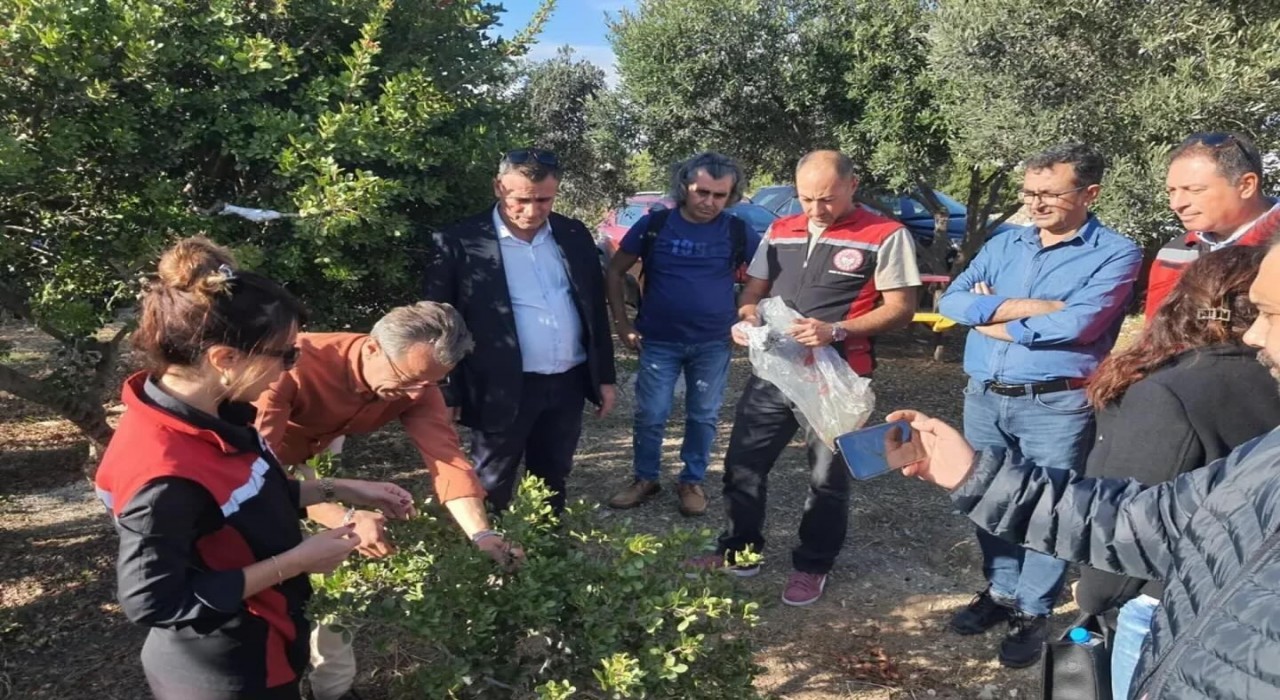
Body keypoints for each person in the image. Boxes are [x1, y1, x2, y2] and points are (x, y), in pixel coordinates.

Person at [887, 233, 1280, 699]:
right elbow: (1154, 522)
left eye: (1273, 315)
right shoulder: (1269, 456)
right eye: (1255, 313)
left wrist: (1096, 598)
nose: (1253, 336)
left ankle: (1030, 608)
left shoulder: (1165, 383)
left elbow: (1075, 322)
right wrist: (975, 476)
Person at [94, 237, 416, 700]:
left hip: (268, 643)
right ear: (224, 359)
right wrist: (297, 562)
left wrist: (340, 488)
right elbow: (154, 600)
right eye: (284, 355)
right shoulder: (164, 470)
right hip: (225, 669)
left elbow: (245, 500)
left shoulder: (217, 416)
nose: (289, 370)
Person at [936, 143, 1143, 667]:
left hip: (1055, 405)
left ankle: (1033, 606)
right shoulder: (1005, 243)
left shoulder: (1117, 252)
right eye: (1029, 192)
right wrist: (1032, 310)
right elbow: (952, 301)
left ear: (1089, 193)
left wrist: (993, 318)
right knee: (983, 496)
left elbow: (1078, 324)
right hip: (983, 397)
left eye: (1049, 193)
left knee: (1049, 509)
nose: (1034, 203)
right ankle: (1001, 590)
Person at [252, 301, 523, 700]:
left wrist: (482, 534)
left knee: (337, 573)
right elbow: (258, 477)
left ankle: (333, 688)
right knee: (272, 581)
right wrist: (338, 510)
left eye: (429, 384)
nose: (415, 394)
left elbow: (446, 458)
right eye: (408, 380)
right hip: (250, 461)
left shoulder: (417, 385)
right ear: (373, 347)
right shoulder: (289, 365)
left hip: (312, 458)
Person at [705, 149, 920, 607]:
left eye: (826, 199)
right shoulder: (782, 229)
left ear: (852, 185)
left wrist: (837, 331)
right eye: (806, 199)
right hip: (776, 373)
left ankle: (812, 565)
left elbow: (902, 307)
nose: (815, 209)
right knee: (743, 464)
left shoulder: (885, 234)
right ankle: (740, 550)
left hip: (838, 378)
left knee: (828, 478)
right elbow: (755, 290)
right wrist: (746, 319)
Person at [1077, 245, 1280, 699]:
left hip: (1163, 604)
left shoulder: (1172, 392)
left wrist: (1094, 596)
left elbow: (1135, 513)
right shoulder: (1266, 377)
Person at [423, 148, 616, 514]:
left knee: (553, 476)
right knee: (492, 480)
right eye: (522, 199)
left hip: (567, 382)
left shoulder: (572, 235)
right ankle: (491, 557)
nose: (532, 210)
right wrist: (446, 390)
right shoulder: (460, 241)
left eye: (544, 199)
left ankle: (546, 557)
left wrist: (604, 376)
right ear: (499, 187)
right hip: (498, 384)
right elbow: (438, 323)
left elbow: (593, 310)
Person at [605, 152, 760, 516]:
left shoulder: (736, 230)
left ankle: (691, 480)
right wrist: (622, 325)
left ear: (731, 196)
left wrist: (749, 312)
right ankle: (645, 477)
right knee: (651, 414)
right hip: (658, 340)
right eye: (701, 192)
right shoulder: (656, 224)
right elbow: (614, 272)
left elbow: (767, 272)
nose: (709, 202)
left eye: (719, 195)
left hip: (713, 342)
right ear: (684, 187)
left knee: (703, 415)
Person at [1146, 131, 1280, 320]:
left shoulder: (1274, 248)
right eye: (1171, 191)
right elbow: (1155, 337)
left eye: (1194, 190)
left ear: (1246, 185)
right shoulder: (1173, 254)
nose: (1176, 204)